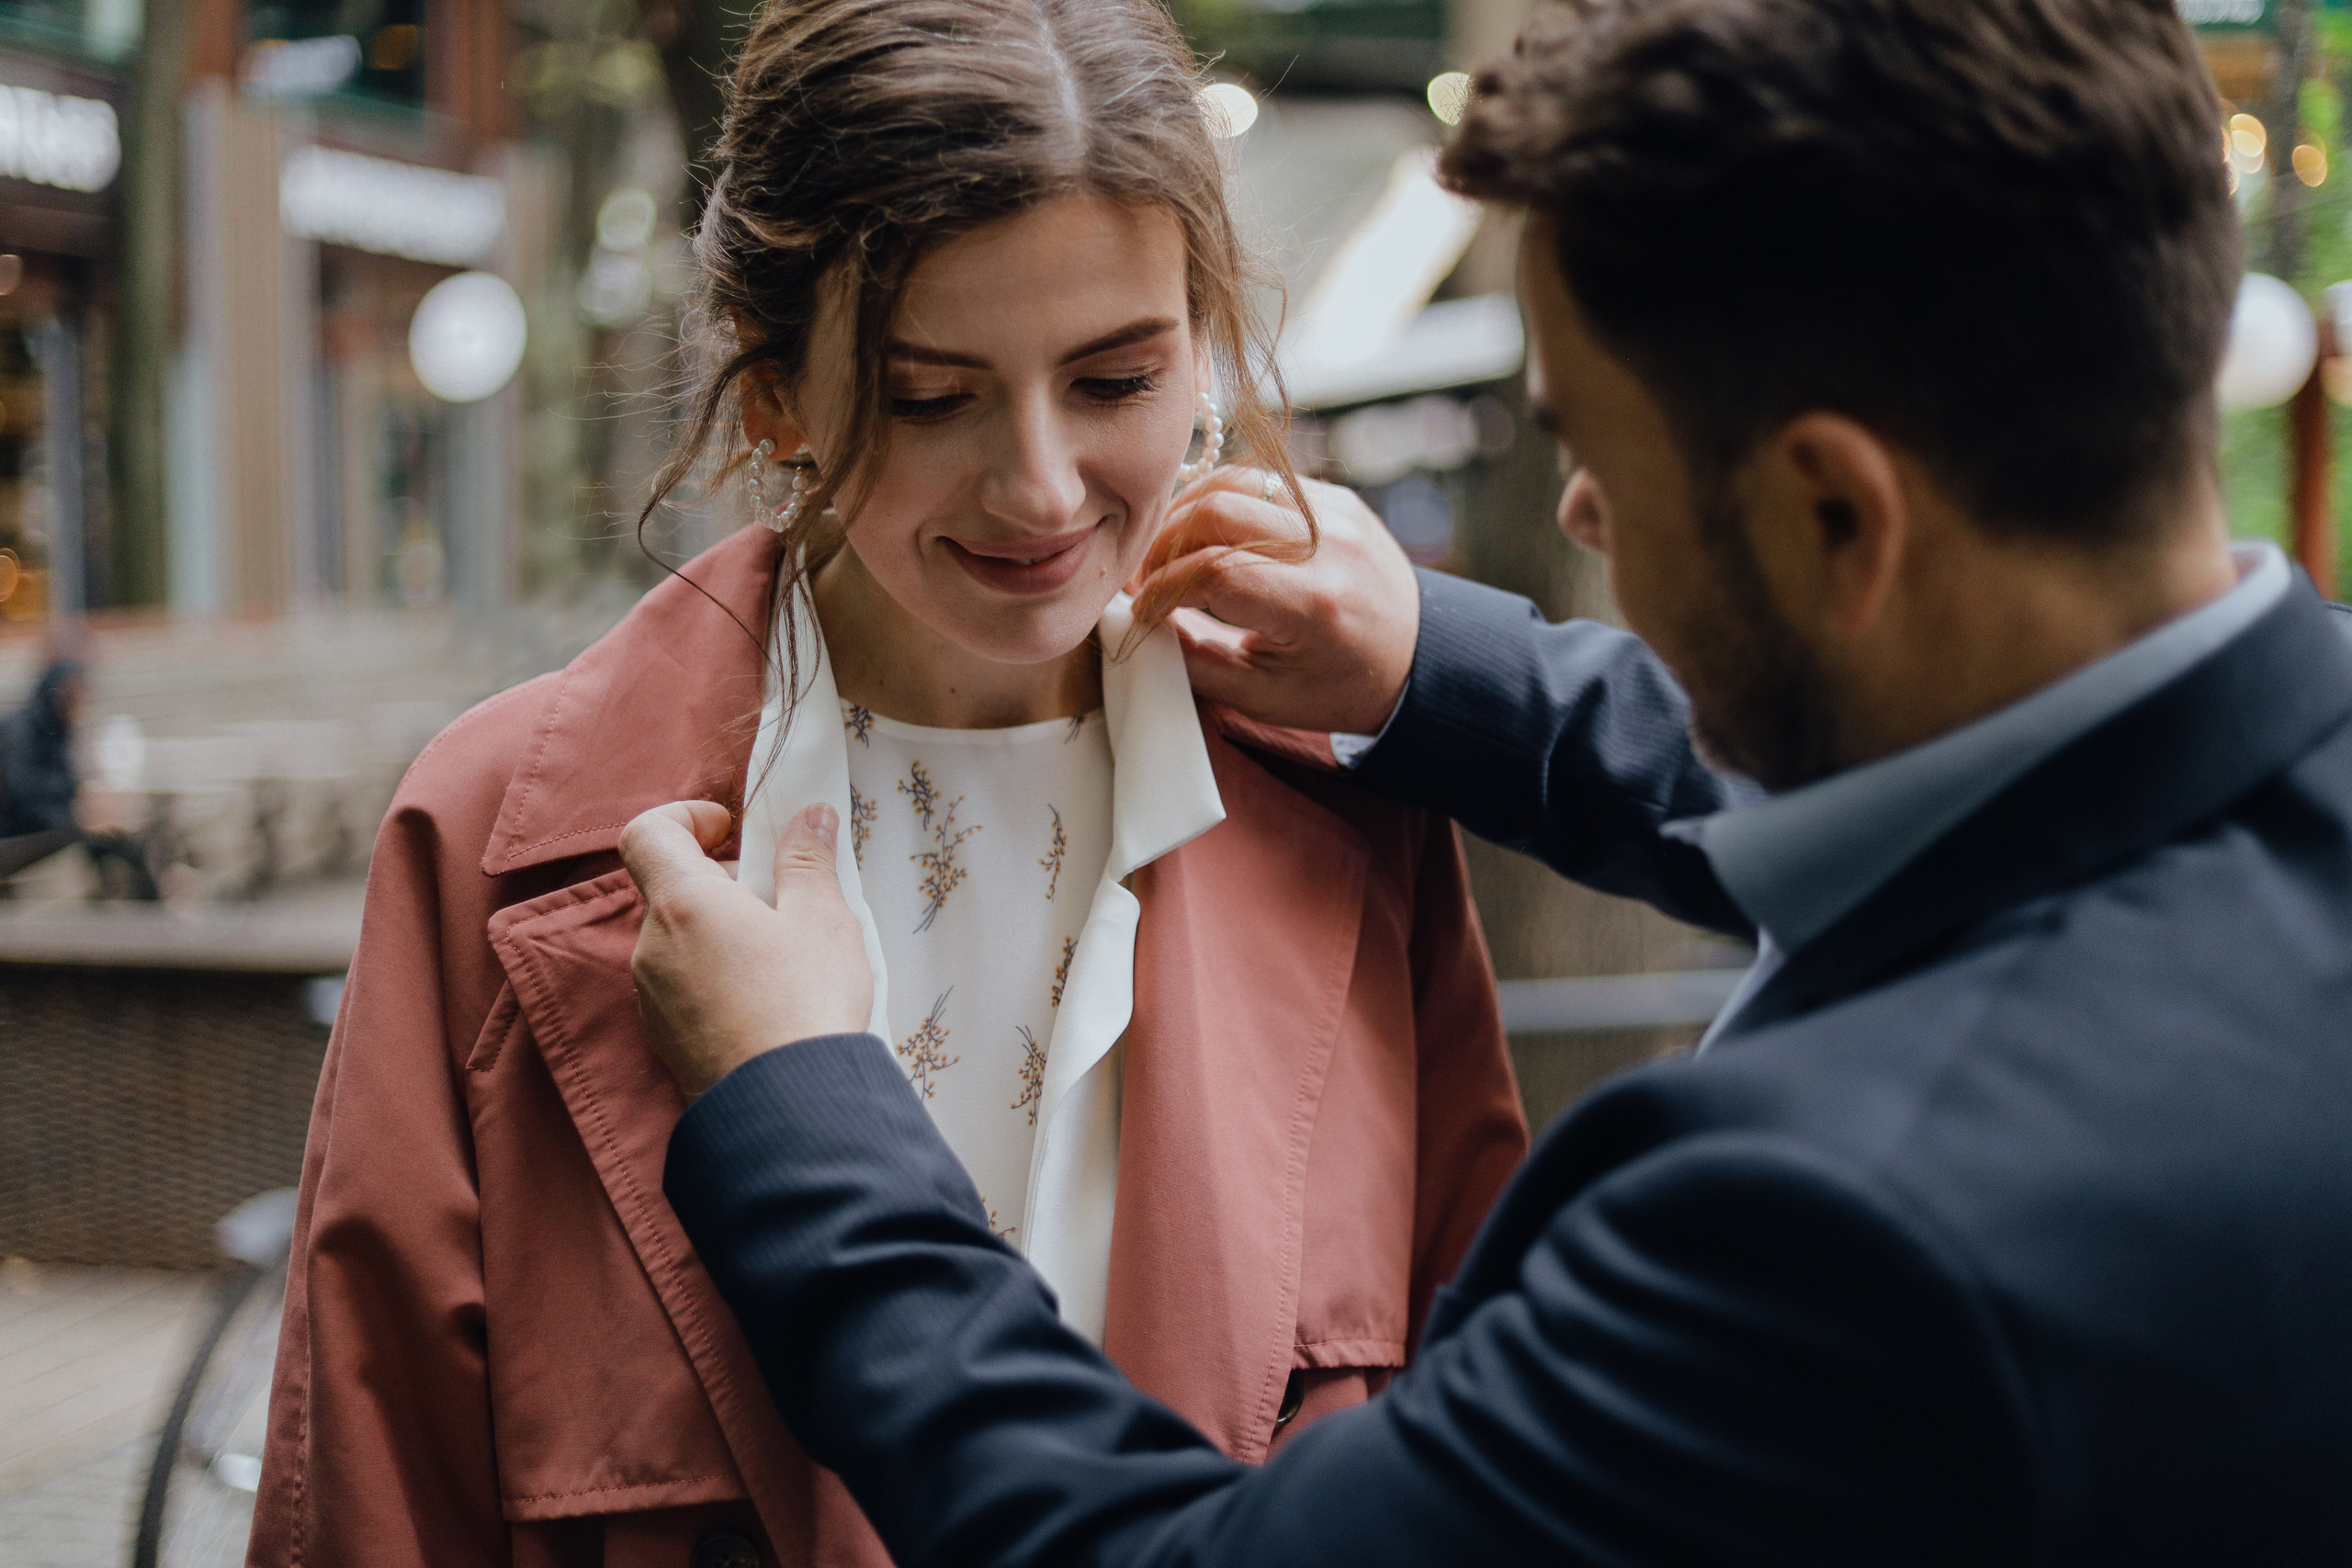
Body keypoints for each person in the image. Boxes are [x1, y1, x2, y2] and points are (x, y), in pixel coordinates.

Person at [618, 0, 2352, 1562]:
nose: (1577, 511)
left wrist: (808, 1110)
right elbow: (1995, 820)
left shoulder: (1823, 1226)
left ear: (1834, 512)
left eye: (1595, 452)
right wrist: (1441, 677)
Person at [246, 5, 1527, 1565]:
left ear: (1202, 346)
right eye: (931, 395)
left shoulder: (1345, 797)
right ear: (773, 386)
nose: (1039, 487)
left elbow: (1490, 1462)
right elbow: (377, 1498)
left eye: (1115, 377)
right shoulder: (501, 834)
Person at [0, 654, 156, 898]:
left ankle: (126, 893)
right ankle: (143, 896)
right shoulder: (20, 729)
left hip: (48, 814)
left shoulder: (55, 727)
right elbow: (22, 789)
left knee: (113, 829)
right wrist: (74, 812)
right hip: (18, 824)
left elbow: (64, 780)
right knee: (98, 832)